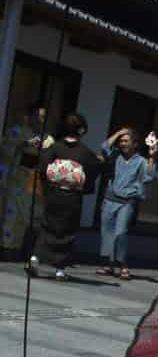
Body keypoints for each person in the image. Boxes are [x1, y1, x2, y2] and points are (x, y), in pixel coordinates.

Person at [29, 112, 100, 280]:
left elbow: (43, 167)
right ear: (82, 130)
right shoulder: (86, 153)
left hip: (54, 193)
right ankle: (60, 269)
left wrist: (47, 187)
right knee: (68, 230)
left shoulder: (55, 148)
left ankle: (36, 257)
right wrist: (84, 186)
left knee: (47, 225)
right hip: (72, 196)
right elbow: (93, 171)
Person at [96, 127, 158, 280]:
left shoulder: (140, 161)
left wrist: (152, 156)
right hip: (110, 199)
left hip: (126, 201)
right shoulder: (115, 156)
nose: (123, 144)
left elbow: (150, 175)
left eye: (126, 141)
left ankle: (122, 264)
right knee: (107, 233)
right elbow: (104, 147)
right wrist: (119, 133)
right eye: (121, 141)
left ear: (135, 144)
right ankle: (108, 264)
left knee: (121, 233)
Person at [0, 106, 50, 258]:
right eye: (39, 116)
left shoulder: (47, 138)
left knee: (27, 217)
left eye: (44, 117)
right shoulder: (16, 132)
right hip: (15, 180)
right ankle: (6, 247)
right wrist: (24, 144)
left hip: (33, 183)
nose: (41, 120)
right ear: (30, 116)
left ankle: (20, 249)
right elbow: (6, 150)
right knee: (10, 215)